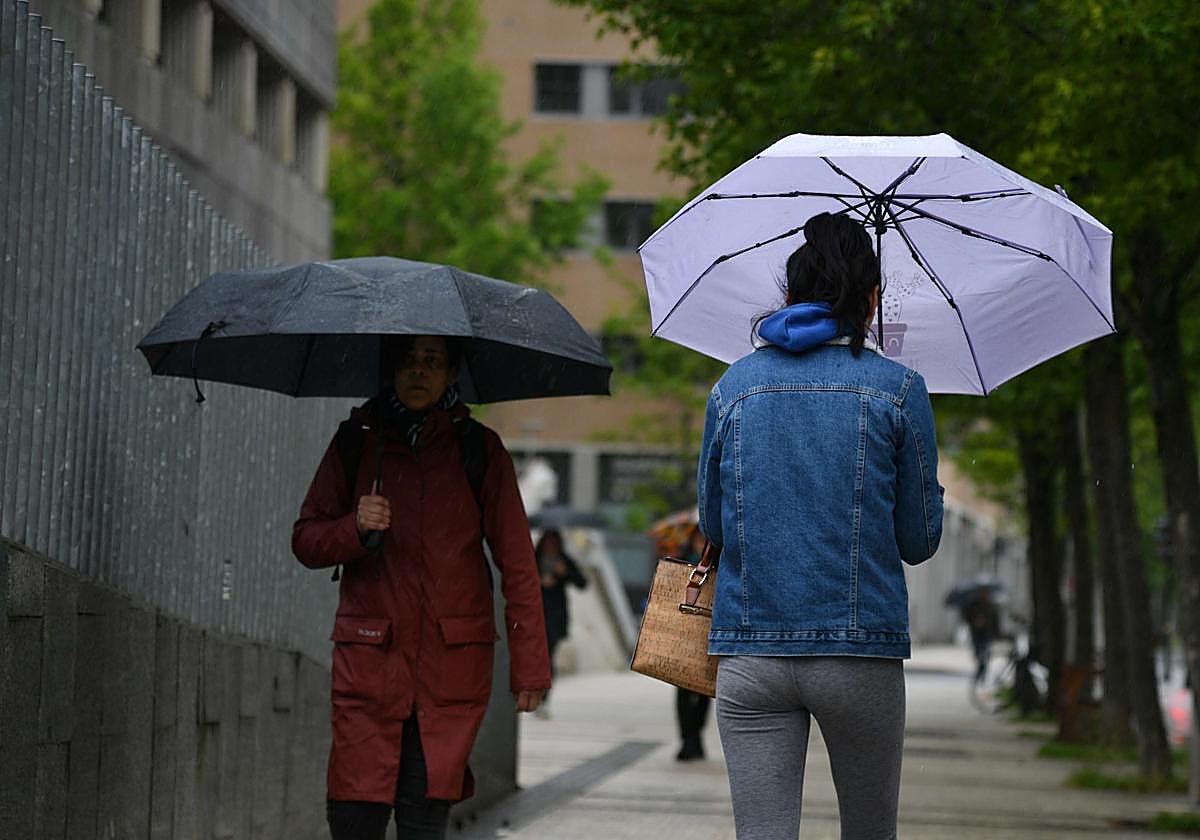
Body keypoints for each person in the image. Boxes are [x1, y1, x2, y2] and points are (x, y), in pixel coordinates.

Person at [697, 213, 944, 840]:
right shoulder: (897, 389)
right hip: (859, 654)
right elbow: (919, 542)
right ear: (870, 297)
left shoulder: (734, 387)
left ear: (791, 293)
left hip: (750, 653)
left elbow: (712, 524)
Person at [292, 334, 551, 840]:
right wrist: (354, 527)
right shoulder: (357, 440)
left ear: (452, 373)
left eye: (432, 360)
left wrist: (531, 668)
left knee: (424, 813)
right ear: (389, 369)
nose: (419, 370)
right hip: (370, 660)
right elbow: (305, 539)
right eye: (407, 359)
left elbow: (518, 563)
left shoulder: (479, 450)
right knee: (353, 813)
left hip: (450, 665)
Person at [676, 526, 712, 761]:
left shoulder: (717, 560)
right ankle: (687, 738)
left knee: (703, 690)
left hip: (706, 632)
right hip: (683, 633)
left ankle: (696, 737)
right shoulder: (683, 560)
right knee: (681, 687)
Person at [535, 528, 588, 681]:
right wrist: (539, 581)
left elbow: (582, 582)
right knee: (538, 650)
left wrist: (564, 573)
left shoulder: (563, 560)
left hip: (556, 613)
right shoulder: (534, 559)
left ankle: (545, 686)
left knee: (549, 649)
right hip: (537, 610)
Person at [961, 588, 1001, 682]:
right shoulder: (973, 604)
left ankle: (983, 671)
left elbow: (995, 619)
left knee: (986, 652)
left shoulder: (991, 605)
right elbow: (966, 615)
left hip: (987, 632)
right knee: (979, 651)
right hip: (976, 632)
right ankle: (981, 669)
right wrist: (974, 621)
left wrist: (997, 632)